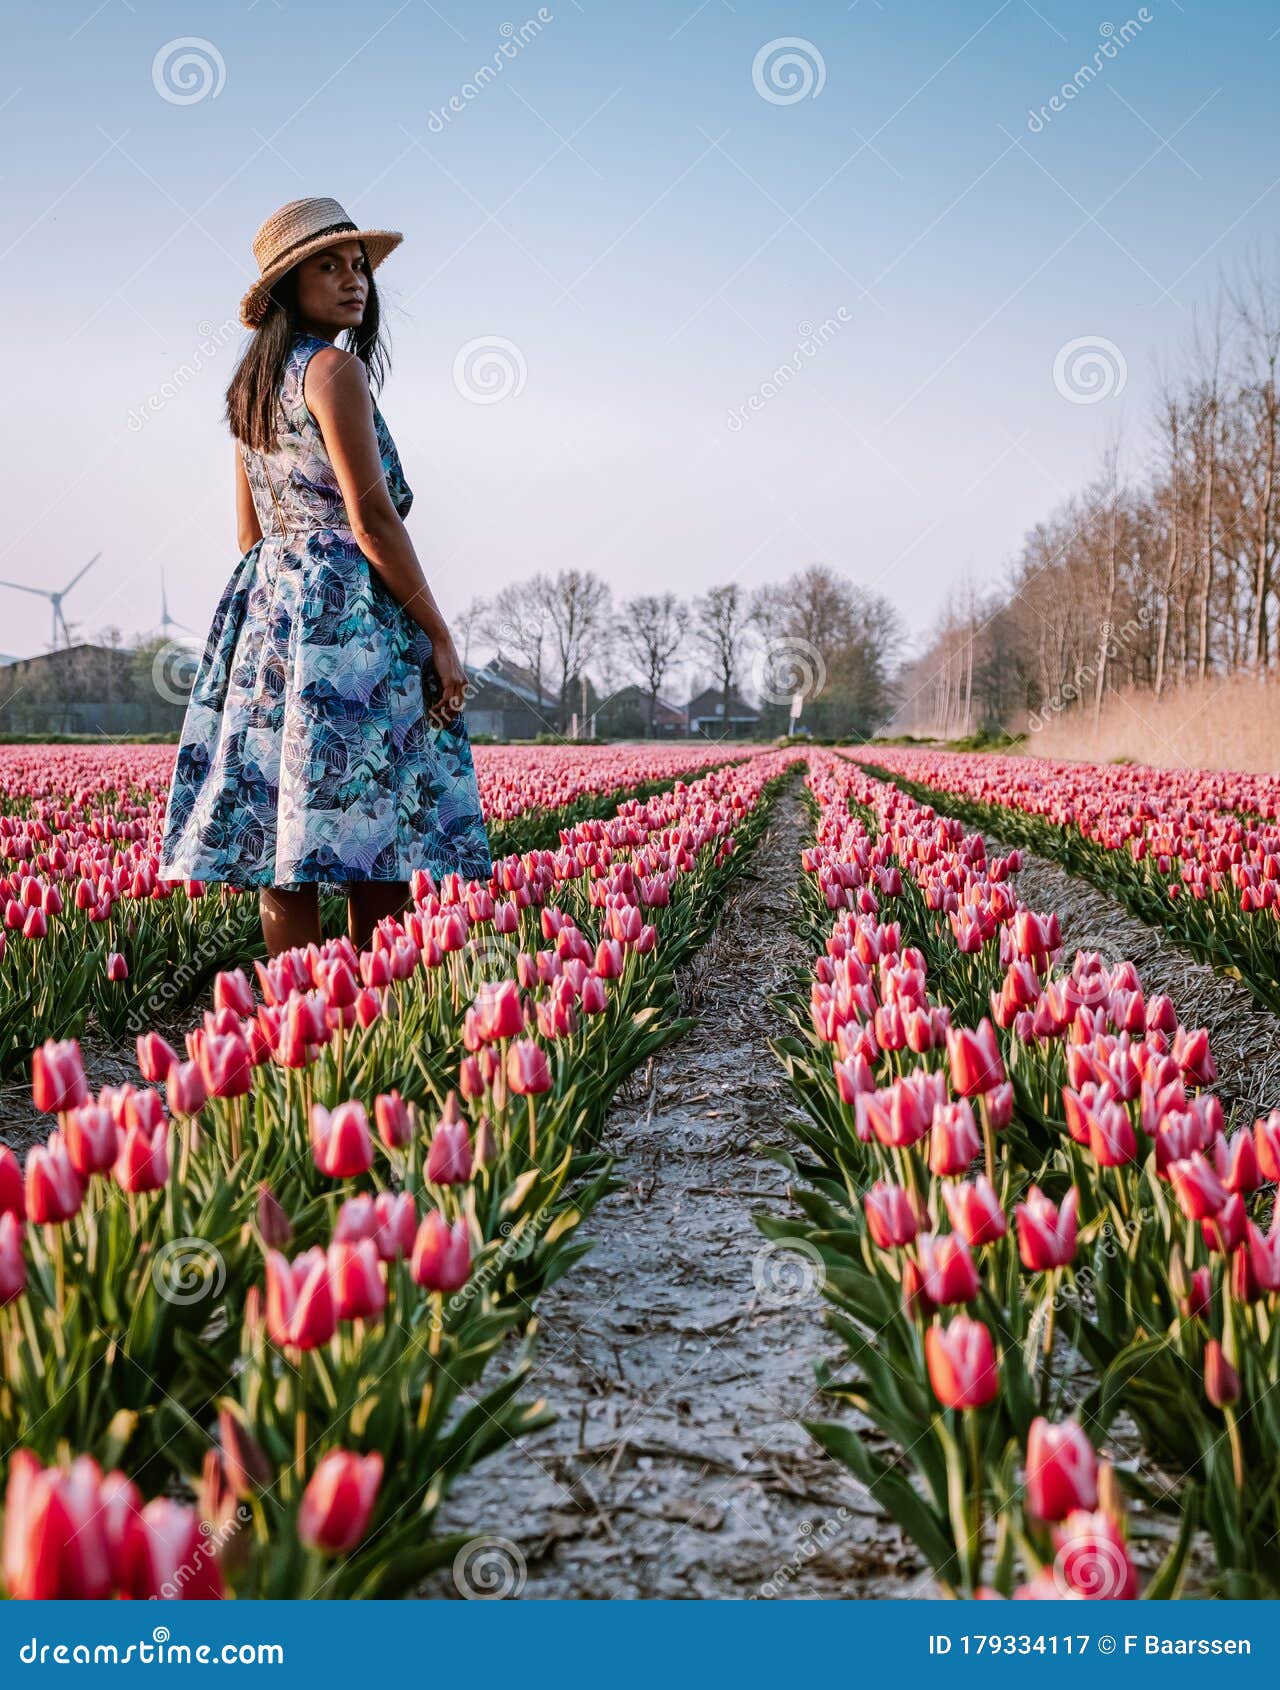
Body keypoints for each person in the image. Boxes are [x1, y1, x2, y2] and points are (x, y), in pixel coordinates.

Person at [157, 196, 492, 956]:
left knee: (287, 838)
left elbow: (250, 533)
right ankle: (372, 1020)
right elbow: (374, 522)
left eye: (358, 267)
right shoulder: (335, 371)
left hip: (268, 615)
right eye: (328, 266)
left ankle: (296, 1026)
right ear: (287, 287)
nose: (354, 282)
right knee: (374, 838)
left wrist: (284, 588)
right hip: (349, 623)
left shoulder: (250, 389)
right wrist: (438, 633)